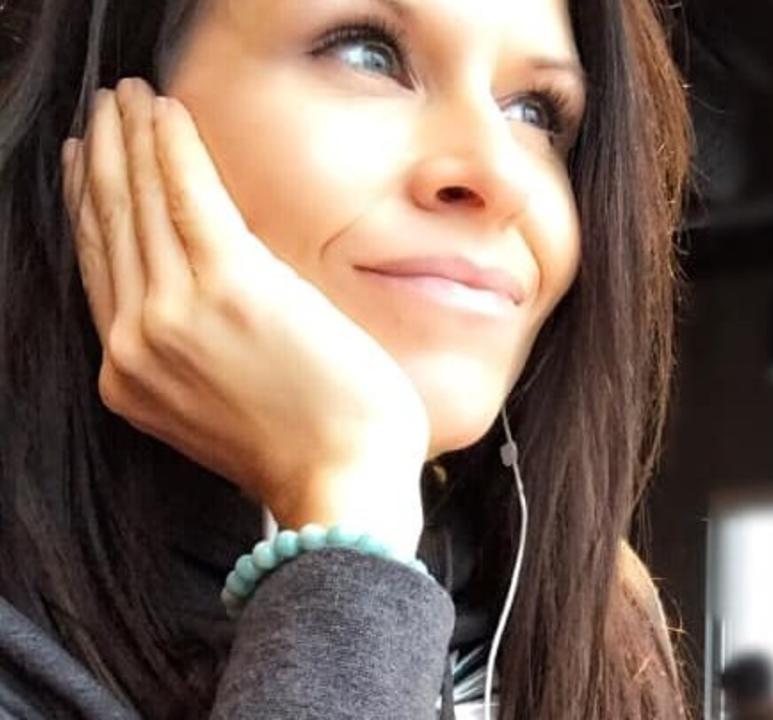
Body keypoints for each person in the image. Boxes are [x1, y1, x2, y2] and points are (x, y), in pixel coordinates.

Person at [0, 0, 691, 718]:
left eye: (536, 112)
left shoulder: (603, 620)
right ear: (108, 109)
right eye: (367, 54)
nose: (499, 176)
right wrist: (350, 520)